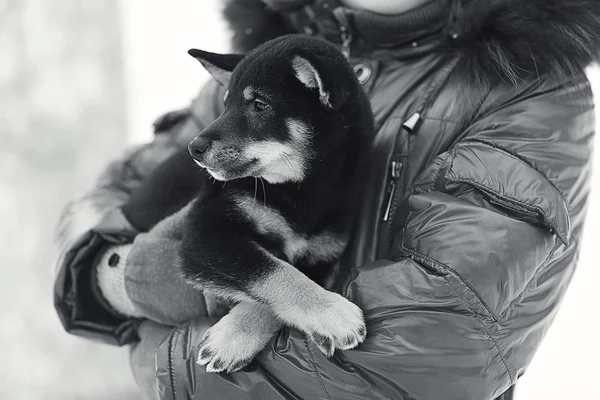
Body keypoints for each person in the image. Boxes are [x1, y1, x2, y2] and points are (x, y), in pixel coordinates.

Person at [53, 0, 599, 399]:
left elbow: (429, 347)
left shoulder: (526, 86)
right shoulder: (275, 52)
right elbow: (124, 190)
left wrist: (165, 359)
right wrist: (107, 268)